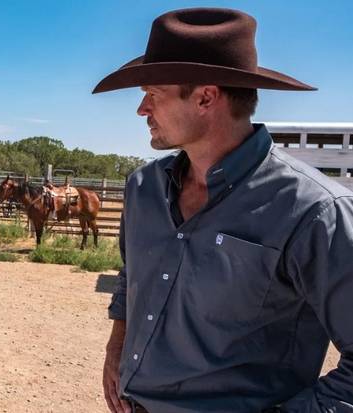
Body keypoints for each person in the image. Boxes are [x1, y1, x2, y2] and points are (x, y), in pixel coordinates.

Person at [93, 8, 353, 412]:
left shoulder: (313, 211)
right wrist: (117, 344)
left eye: (154, 94)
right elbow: (133, 276)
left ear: (205, 97)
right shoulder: (142, 188)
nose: (142, 109)